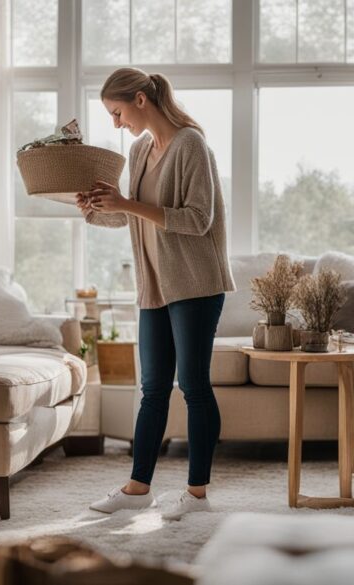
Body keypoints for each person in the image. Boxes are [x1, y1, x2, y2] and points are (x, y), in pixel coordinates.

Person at [78, 68, 235, 521]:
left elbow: (196, 219)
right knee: (152, 390)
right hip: (155, 287)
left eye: (118, 112)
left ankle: (197, 494)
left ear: (141, 100)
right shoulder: (140, 149)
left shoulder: (190, 145)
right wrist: (97, 209)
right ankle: (137, 488)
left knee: (193, 386)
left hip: (195, 284)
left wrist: (125, 203)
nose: (116, 123)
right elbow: (137, 217)